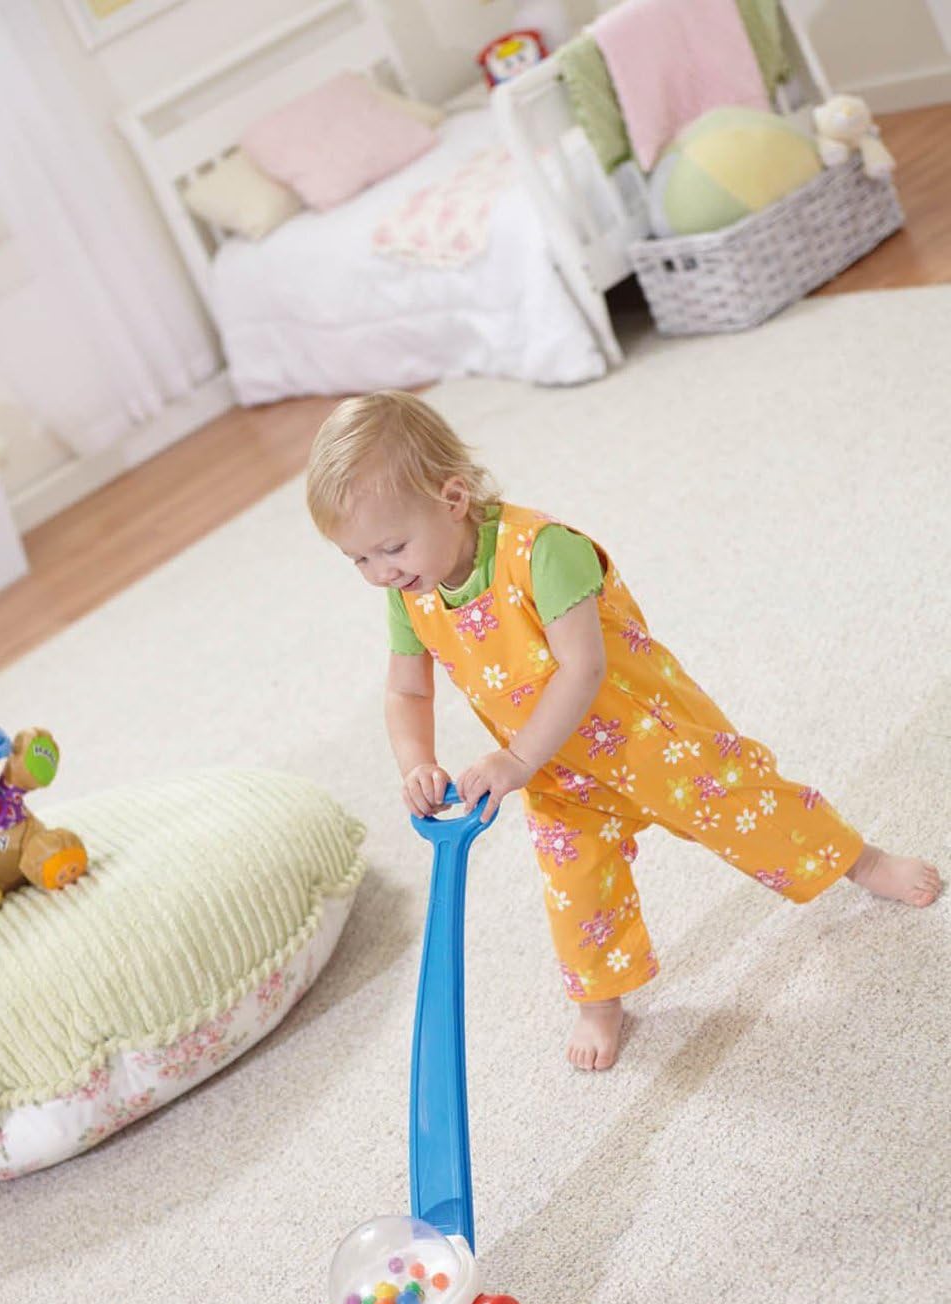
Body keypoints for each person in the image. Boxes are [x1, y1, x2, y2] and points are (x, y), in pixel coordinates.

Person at [306, 392, 941, 1071]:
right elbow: (407, 690)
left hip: (649, 738)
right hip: (558, 772)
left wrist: (515, 759)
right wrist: (416, 763)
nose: (380, 573)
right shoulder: (411, 593)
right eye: (358, 560)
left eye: (391, 547)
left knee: (749, 810)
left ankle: (861, 860)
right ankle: (600, 999)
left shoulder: (542, 551)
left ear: (454, 498)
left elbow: (583, 668)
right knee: (575, 884)